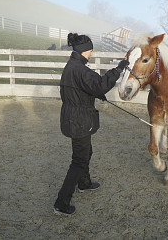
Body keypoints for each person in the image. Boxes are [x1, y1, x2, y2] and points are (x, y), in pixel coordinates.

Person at [53, 33, 129, 216]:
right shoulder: (80, 69)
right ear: (84, 51)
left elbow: (82, 88)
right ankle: (61, 203)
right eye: (91, 51)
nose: (92, 54)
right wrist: (118, 69)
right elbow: (100, 85)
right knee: (79, 160)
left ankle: (84, 183)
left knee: (86, 152)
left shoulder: (72, 66)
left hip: (75, 117)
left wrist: (93, 94)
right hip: (78, 120)